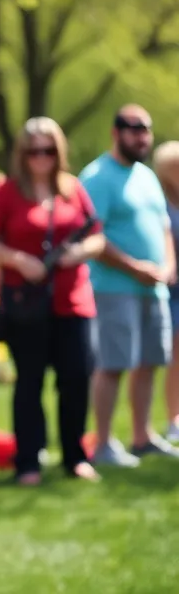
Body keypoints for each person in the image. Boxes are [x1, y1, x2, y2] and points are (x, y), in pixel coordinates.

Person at [0, 117, 103, 484]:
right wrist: (17, 260)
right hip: (27, 302)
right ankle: (28, 461)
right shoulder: (7, 192)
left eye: (48, 150)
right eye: (33, 151)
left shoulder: (72, 189)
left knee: (76, 378)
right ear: (22, 154)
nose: (41, 158)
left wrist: (77, 253)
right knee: (29, 381)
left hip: (72, 300)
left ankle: (74, 456)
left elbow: (97, 235)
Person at [80, 104, 179, 465]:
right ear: (115, 132)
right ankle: (104, 443)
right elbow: (92, 235)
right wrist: (134, 267)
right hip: (113, 287)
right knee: (113, 364)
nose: (141, 137)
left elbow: (164, 227)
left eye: (145, 129)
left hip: (153, 288)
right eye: (133, 129)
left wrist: (168, 265)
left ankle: (142, 436)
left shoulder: (147, 177)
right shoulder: (97, 176)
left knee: (150, 362)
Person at [152, 140, 179, 441]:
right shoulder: (160, 203)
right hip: (167, 289)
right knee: (168, 355)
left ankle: (175, 416)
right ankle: (170, 418)